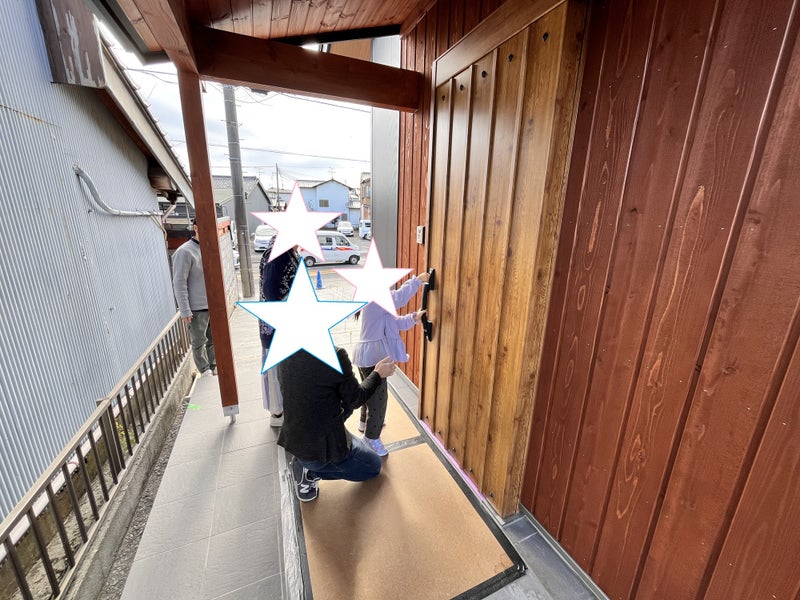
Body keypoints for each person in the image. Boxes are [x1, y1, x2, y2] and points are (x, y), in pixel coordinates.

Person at [277, 349, 396, 502]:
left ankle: (312, 460)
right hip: (318, 450)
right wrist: (377, 374)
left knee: (341, 401)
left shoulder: (283, 350)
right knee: (373, 466)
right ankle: (310, 473)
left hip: (294, 438)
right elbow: (356, 399)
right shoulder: (334, 355)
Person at [352, 272, 430, 456]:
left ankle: (364, 423)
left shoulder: (376, 304)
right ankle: (371, 438)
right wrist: (417, 281)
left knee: (369, 393)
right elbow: (400, 297)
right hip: (373, 359)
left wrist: (415, 317)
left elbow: (397, 323)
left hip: (367, 356)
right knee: (379, 401)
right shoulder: (376, 300)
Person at [259, 238, 300, 427]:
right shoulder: (277, 253)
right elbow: (270, 290)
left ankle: (287, 408)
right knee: (277, 370)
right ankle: (279, 412)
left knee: (286, 367)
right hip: (278, 325)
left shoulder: (289, 251)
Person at [172, 218, 216, 376]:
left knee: (214, 340)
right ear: (195, 228)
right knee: (199, 341)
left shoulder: (210, 247)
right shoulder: (185, 251)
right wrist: (185, 310)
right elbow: (179, 282)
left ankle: (214, 366)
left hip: (214, 305)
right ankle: (205, 370)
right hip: (197, 308)